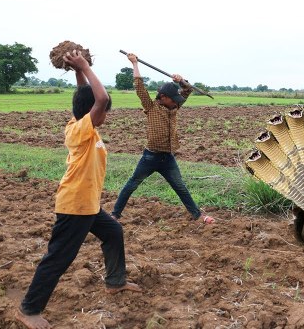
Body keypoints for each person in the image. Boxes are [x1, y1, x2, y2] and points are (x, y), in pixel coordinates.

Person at [16, 50, 141, 329]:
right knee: (58, 259)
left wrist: (78, 71)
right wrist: (85, 64)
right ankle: (29, 310)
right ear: (93, 114)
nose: (106, 114)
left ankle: (115, 282)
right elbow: (101, 99)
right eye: (103, 113)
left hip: (88, 204)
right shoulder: (80, 129)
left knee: (113, 232)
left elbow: (87, 97)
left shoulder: (84, 126)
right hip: (75, 205)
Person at [111, 53, 214, 224]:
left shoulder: (174, 107)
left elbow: (187, 90)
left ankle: (197, 216)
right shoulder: (151, 107)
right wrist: (135, 64)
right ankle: (115, 214)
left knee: (180, 187)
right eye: (175, 100)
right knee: (132, 184)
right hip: (150, 157)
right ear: (164, 98)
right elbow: (139, 87)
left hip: (168, 158)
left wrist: (180, 80)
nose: (178, 103)